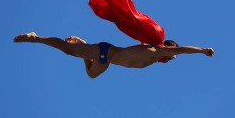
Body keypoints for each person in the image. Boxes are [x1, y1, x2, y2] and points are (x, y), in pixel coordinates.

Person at [14, 32, 214, 78]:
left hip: (106, 61)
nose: (168, 60)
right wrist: (203, 50)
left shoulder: (154, 59)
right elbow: (182, 49)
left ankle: (83, 44)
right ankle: (36, 38)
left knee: (91, 75)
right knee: (68, 50)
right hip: (105, 51)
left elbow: (177, 53)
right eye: (170, 57)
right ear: (167, 51)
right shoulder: (157, 50)